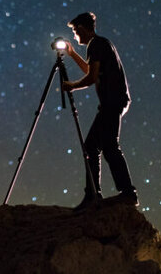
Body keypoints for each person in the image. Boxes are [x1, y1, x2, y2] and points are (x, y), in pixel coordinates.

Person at [61, 12, 138, 209]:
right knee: (93, 147)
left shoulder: (96, 44)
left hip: (113, 101)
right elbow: (90, 71)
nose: (76, 36)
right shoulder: (100, 45)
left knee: (108, 146)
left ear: (84, 29)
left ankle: (125, 193)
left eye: (77, 31)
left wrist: (71, 86)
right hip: (113, 101)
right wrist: (72, 54)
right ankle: (95, 195)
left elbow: (91, 77)